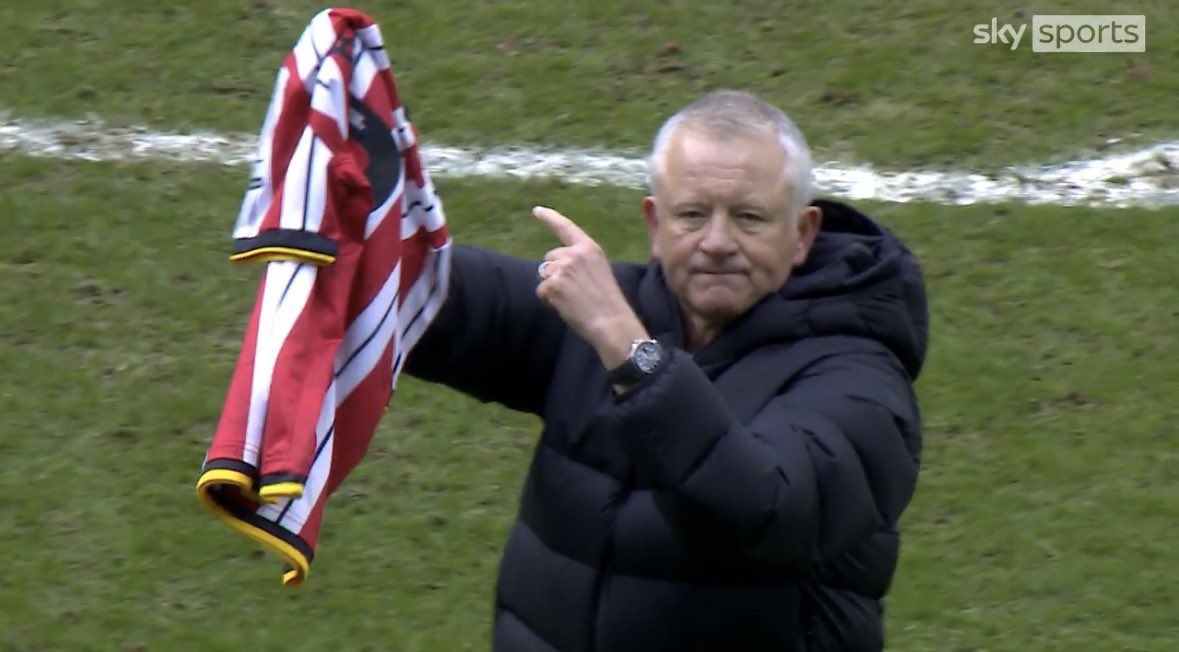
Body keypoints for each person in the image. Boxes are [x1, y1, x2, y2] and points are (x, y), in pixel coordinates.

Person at [403, 89, 929, 652]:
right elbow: (427, 299)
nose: (718, 242)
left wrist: (634, 354)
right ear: (656, 224)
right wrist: (341, 238)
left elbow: (765, 513)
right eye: (692, 214)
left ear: (801, 234)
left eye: (749, 218)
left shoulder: (862, 378)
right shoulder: (615, 309)